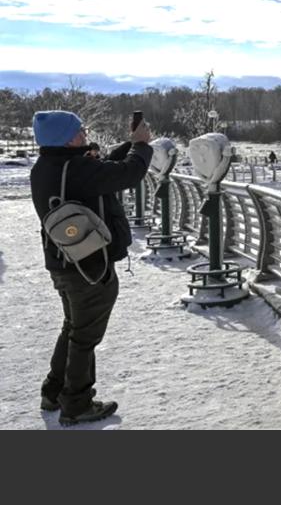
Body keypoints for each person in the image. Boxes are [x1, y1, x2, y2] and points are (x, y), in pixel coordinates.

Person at [30, 110, 153, 426]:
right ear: (67, 138)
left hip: (62, 263)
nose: (85, 134)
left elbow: (102, 170)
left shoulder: (46, 167)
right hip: (89, 269)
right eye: (80, 131)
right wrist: (141, 145)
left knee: (73, 327)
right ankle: (77, 404)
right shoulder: (76, 168)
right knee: (84, 336)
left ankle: (54, 391)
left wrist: (127, 144)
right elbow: (126, 175)